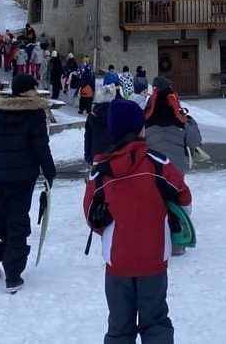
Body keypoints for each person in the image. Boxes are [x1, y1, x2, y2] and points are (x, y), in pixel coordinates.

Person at [84, 99, 191, 343]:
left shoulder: (99, 171)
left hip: (118, 260)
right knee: (155, 322)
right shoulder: (156, 163)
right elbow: (183, 195)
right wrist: (175, 224)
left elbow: (91, 215)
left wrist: (107, 228)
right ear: (140, 128)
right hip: (153, 258)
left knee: (119, 326)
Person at [0, 73, 56, 293]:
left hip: (1, 177)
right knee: (17, 223)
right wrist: (49, 171)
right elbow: (41, 148)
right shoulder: (34, 115)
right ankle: (13, 275)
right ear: (26, 91)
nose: (36, 91)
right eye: (34, 88)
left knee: (0, 218)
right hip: (23, 178)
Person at [144, 77, 188, 175]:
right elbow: (193, 139)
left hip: (154, 169)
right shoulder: (173, 102)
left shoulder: (151, 105)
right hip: (176, 170)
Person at [84, 84, 117, 165]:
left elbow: (88, 138)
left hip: (96, 156)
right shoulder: (116, 114)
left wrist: (88, 156)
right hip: (115, 155)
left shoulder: (92, 116)